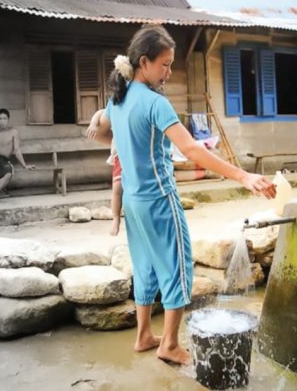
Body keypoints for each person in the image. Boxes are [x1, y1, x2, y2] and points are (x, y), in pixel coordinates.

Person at [88, 25, 276, 365]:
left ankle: (144, 335)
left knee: (144, 268)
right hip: (160, 201)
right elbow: (191, 149)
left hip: (133, 201)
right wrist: (242, 175)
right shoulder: (155, 103)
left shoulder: (119, 98)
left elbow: (103, 132)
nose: (169, 71)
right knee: (178, 269)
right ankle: (170, 344)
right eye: (164, 64)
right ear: (144, 62)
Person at [87, 110, 123, 236]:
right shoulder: (116, 107)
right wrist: (92, 123)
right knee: (117, 189)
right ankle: (116, 218)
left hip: (135, 154)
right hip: (120, 155)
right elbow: (100, 112)